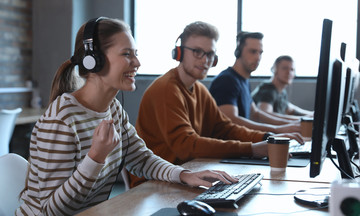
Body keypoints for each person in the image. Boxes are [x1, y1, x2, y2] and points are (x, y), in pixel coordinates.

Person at [16, 17, 239, 216]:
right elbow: (51, 210)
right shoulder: (61, 120)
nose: (137, 63)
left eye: (136, 54)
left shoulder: (113, 109)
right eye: (126, 54)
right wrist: (95, 158)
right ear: (94, 60)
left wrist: (184, 175)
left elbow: (140, 159)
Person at [129, 21, 303, 188]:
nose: (205, 60)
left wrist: (267, 138)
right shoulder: (167, 89)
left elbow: (225, 128)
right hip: (154, 183)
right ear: (179, 53)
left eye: (210, 54)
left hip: (189, 174)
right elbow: (187, 146)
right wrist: (251, 149)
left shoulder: (199, 89)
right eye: (197, 52)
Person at [209, 31, 302, 134]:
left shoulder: (244, 81)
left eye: (260, 52)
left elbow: (256, 113)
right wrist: (277, 130)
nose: (258, 57)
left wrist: (290, 124)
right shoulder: (226, 80)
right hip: (228, 147)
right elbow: (231, 120)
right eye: (253, 52)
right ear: (238, 52)